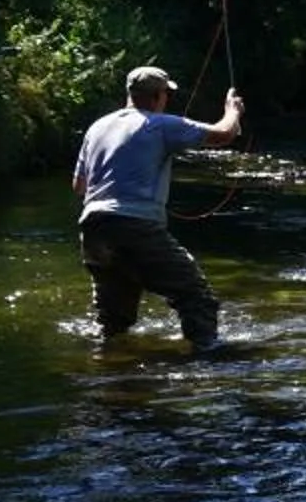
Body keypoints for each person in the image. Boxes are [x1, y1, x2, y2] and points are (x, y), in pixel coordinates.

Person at [74, 65, 244, 351]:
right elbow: (224, 134)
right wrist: (233, 110)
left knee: (113, 318)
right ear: (157, 96)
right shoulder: (160, 124)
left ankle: (107, 368)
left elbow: (79, 186)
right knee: (196, 296)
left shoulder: (98, 127)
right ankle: (208, 362)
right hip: (136, 227)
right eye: (167, 94)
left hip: (92, 228)